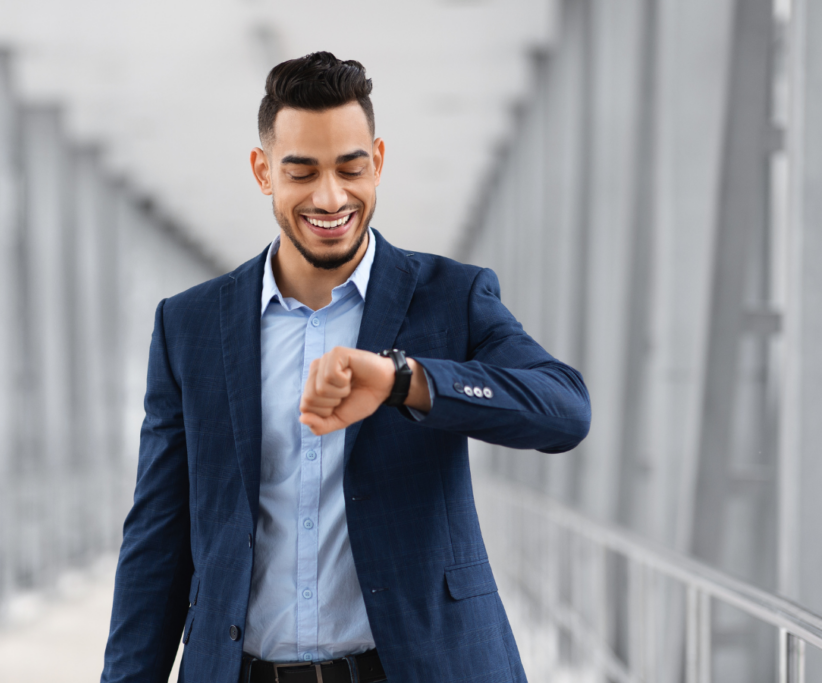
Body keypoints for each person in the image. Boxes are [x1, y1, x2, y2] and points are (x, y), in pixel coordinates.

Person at [101, 52, 590, 683]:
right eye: (301, 171)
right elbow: (157, 542)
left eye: (350, 169)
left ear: (378, 162)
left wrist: (405, 381)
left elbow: (564, 409)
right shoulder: (189, 325)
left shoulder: (451, 297)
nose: (330, 197)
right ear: (263, 171)